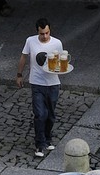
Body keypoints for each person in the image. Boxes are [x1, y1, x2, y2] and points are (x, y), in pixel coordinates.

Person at [17, 17, 65, 159]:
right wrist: (19, 74)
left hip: (53, 84)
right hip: (37, 83)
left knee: (51, 115)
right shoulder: (30, 41)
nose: (44, 36)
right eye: (42, 33)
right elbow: (23, 57)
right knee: (40, 114)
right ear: (37, 32)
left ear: (50, 30)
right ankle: (40, 144)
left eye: (47, 33)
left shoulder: (57, 43)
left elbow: (61, 60)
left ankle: (47, 139)